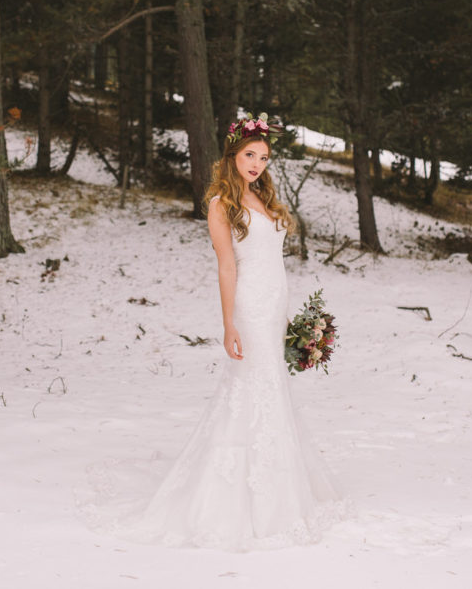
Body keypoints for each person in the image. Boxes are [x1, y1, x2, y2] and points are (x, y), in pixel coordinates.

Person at [122, 114, 349, 551]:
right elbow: (228, 266)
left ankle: (277, 487)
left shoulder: (264, 198)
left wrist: (290, 320)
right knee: (252, 390)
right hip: (248, 308)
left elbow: (274, 262)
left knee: (273, 390)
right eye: (250, 155)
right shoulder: (221, 204)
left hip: (274, 307)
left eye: (263, 157)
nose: (257, 164)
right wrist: (228, 324)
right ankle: (240, 499)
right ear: (232, 155)